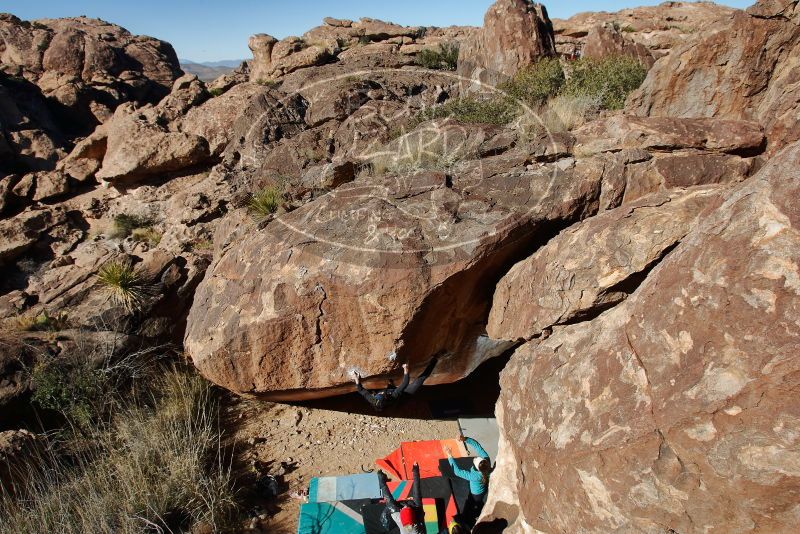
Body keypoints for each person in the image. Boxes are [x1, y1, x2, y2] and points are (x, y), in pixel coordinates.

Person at [354, 357, 438, 412]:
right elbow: (405, 384)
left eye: (380, 393)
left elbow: (361, 390)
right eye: (382, 394)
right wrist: (406, 369)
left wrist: (357, 380)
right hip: (405, 394)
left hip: (391, 391)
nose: (381, 392)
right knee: (419, 381)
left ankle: (391, 386)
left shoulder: (372, 399)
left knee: (390, 385)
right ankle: (435, 359)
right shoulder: (393, 397)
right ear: (386, 397)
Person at [446, 435, 492, 526]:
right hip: (483, 489)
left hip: (475, 493)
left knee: (472, 503)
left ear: (476, 468)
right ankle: (479, 509)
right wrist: (465, 439)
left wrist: (449, 456)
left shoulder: (474, 476)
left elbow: (457, 472)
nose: (475, 458)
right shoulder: (487, 461)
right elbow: (477, 446)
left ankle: (473, 515)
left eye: (475, 460)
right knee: (478, 501)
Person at [378, 464, 425, 534]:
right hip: (414, 512)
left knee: (390, 503)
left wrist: (381, 480)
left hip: (402, 516)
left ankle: (381, 478)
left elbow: (388, 499)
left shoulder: (398, 517)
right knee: (417, 496)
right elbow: (417, 490)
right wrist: (416, 471)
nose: (405, 506)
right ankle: (415, 470)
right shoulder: (417, 516)